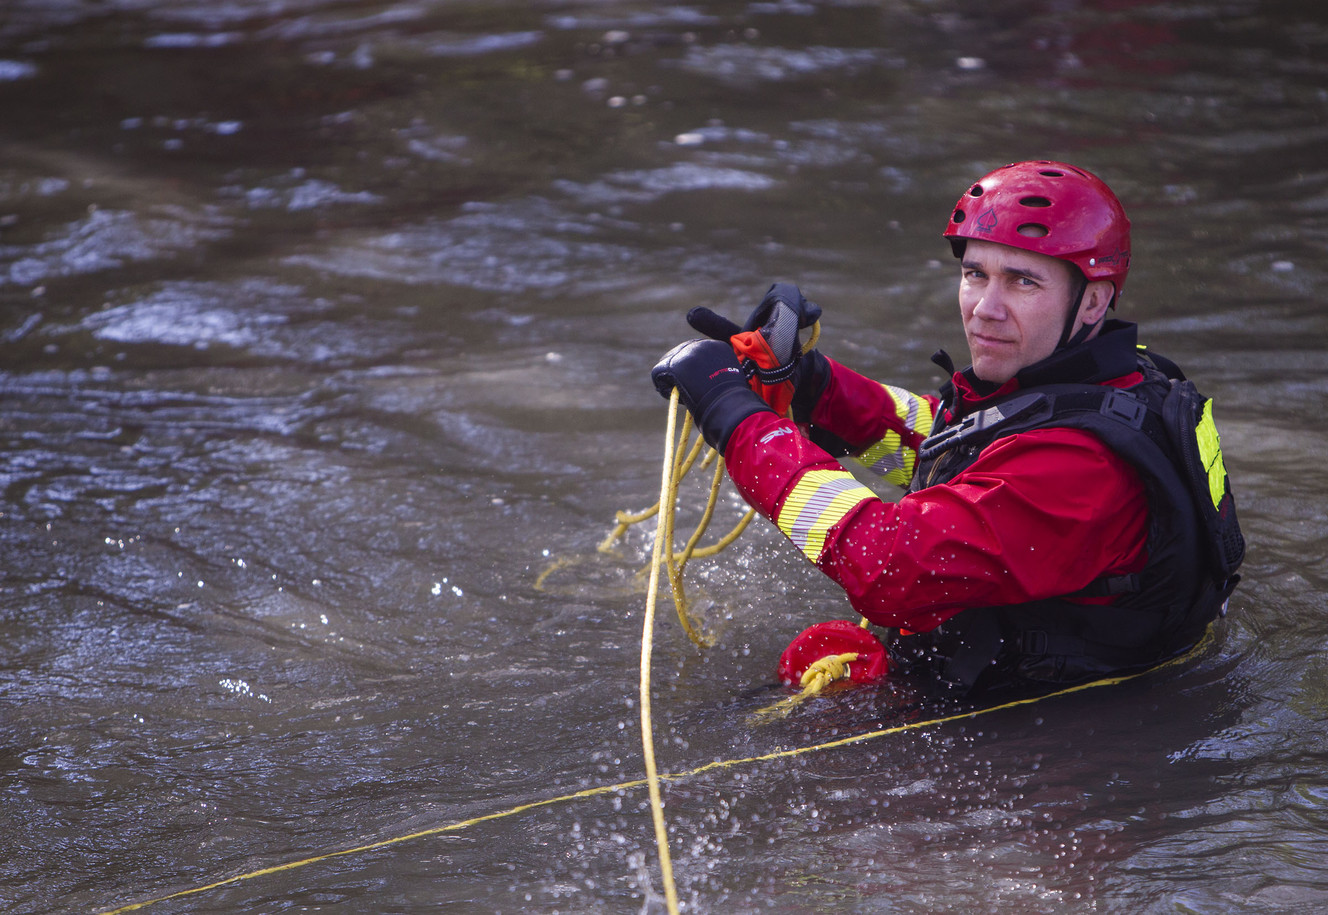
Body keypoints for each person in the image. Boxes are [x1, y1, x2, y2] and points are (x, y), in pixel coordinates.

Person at [652, 160, 1244, 697]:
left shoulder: (1082, 468)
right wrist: (813, 387)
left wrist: (737, 420)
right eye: (975, 274)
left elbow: (887, 567)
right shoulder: (1116, 381)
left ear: (1092, 303)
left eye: (1023, 281)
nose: (985, 308)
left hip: (1049, 756)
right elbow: (956, 448)